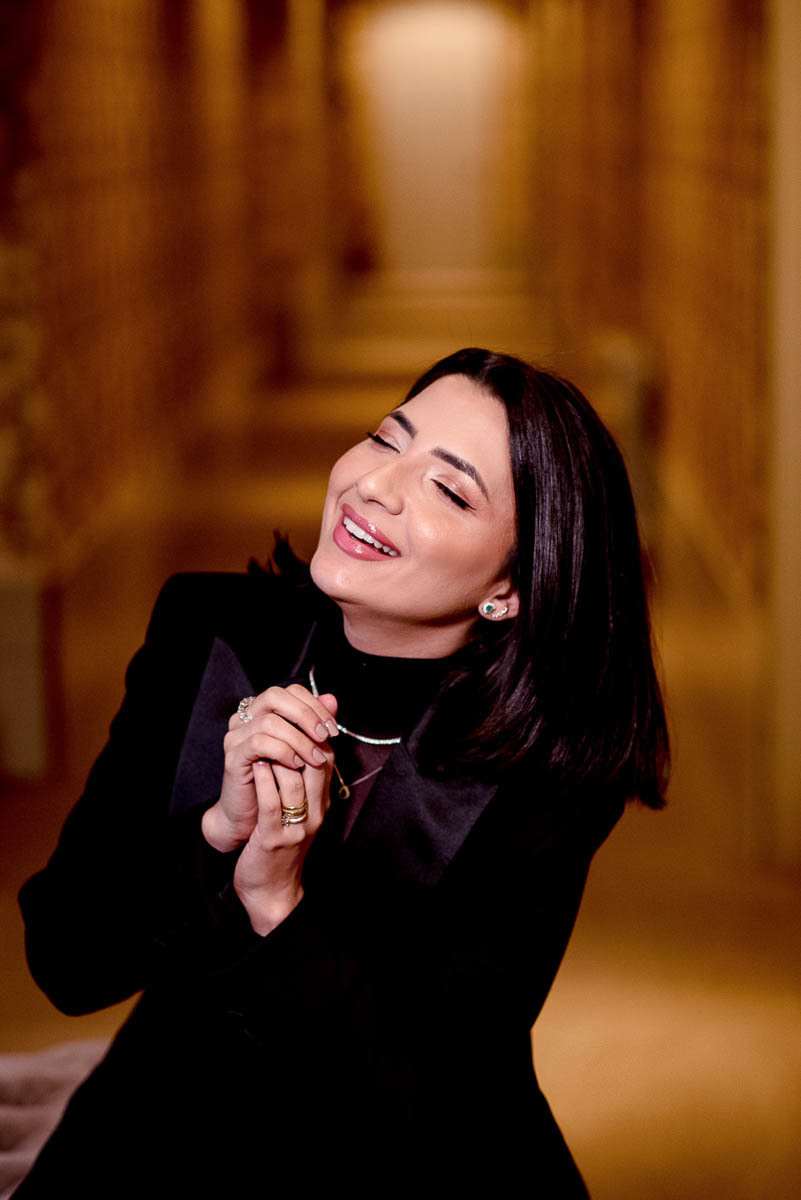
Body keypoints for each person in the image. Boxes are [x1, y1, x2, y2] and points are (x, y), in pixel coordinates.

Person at [14, 348, 668, 1197]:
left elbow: (433, 1099)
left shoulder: (548, 770)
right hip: (165, 1113)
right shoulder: (208, 630)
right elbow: (65, 960)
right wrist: (217, 834)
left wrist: (277, 900)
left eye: (449, 489)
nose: (375, 486)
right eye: (386, 439)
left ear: (510, 587)